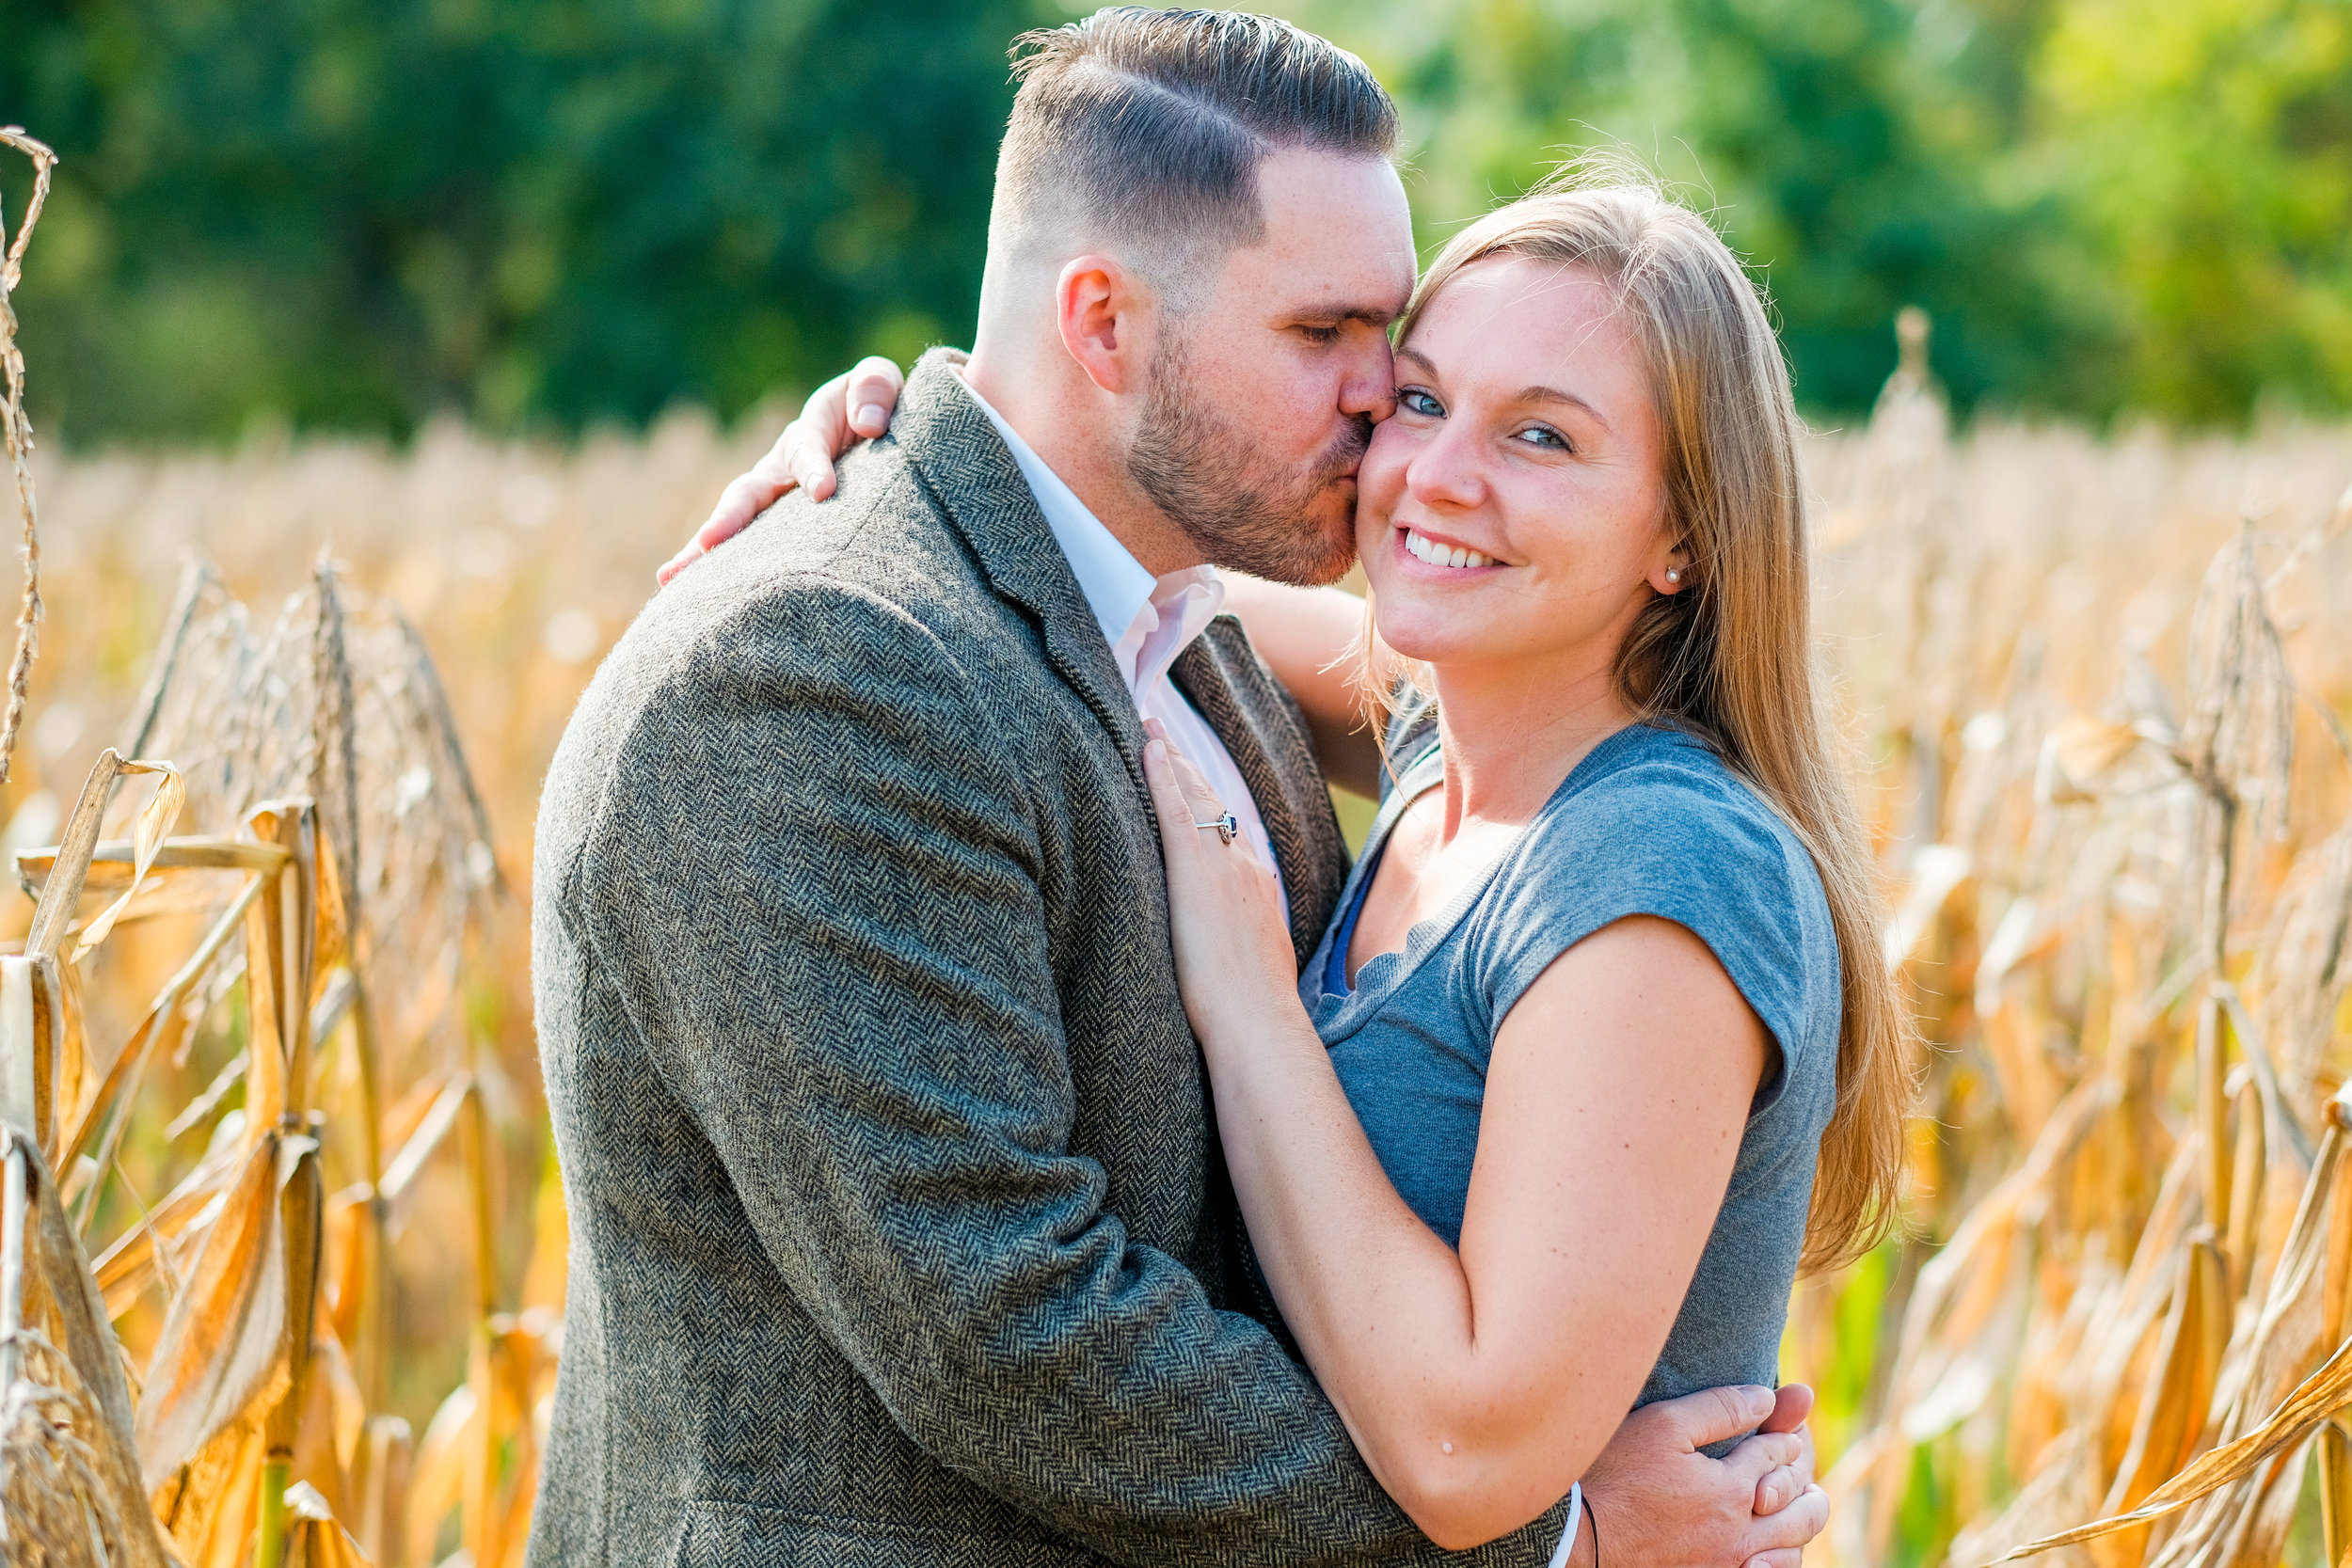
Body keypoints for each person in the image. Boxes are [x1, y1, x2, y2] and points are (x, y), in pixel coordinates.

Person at [540, 9, 1835, 1566]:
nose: (1386, 425)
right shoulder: (820, 670)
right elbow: (1005, 1330)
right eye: (1339, 346)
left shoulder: (1185, 626)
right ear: (1102, 326)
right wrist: (1560, 1539)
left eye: (1399, 356)